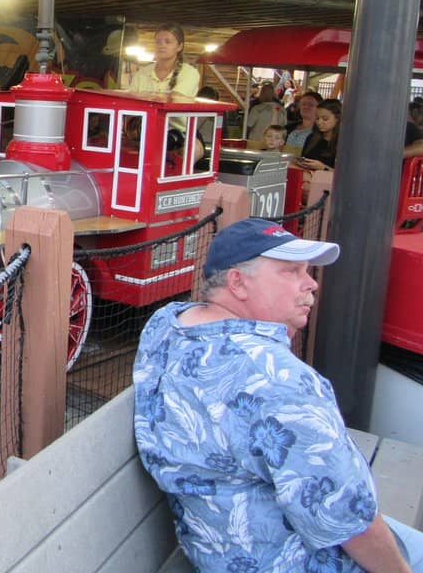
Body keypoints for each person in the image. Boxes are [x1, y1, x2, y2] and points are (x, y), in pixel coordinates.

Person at [134, 217, 423, 573]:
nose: (311, 285)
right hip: (298, 560)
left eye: (307, 271)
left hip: (217, 549)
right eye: (291, 272)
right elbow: (346, 519)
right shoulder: (279, 381)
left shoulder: (167, 325)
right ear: (237, 283)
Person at [126, 23, 200, 97]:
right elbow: (130, 100)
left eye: (168, 42)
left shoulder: (190, 72)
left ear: (179, 47)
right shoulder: (142, 73)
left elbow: (175, 100)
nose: (162, 45)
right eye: (158, 42)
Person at [296, 97, 341, 173]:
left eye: (325, 119)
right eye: (317, 118)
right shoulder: (311, 138)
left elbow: (345, 176)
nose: (319, 122)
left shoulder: (343, 144)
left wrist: (323, 167)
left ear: (337, 119)